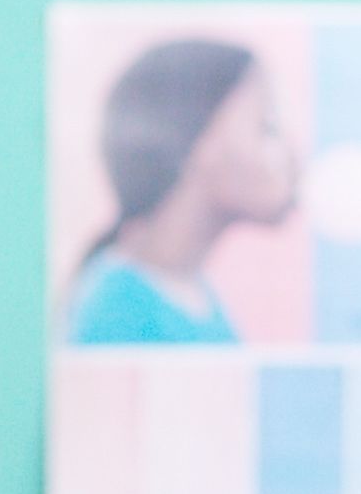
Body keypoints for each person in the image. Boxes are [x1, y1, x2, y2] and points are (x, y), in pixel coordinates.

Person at [67, 31, 302, 343]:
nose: (294, 157)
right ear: (195, 141)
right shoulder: (117, 315)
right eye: (266, 128)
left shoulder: (196, 296)